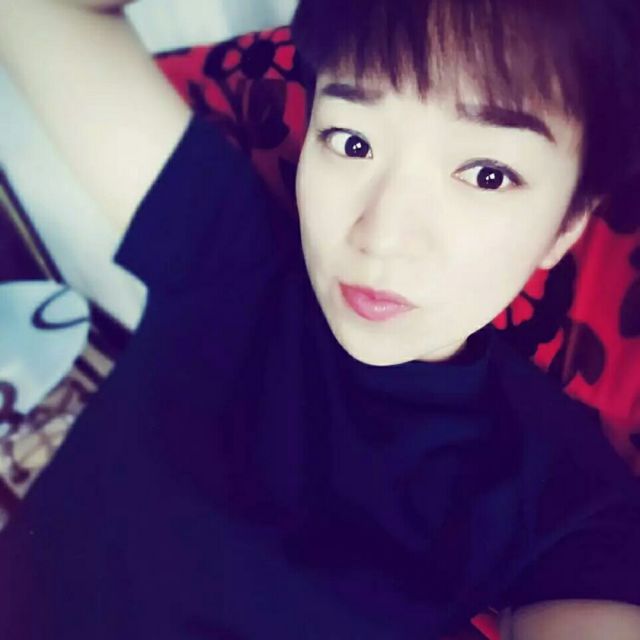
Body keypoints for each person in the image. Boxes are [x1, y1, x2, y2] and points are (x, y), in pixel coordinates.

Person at [1, 0, 640, 638]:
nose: (381, 237)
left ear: (567, 225)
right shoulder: (229, 259)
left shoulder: (567, 498)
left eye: (487, 175)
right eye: (352, 142)